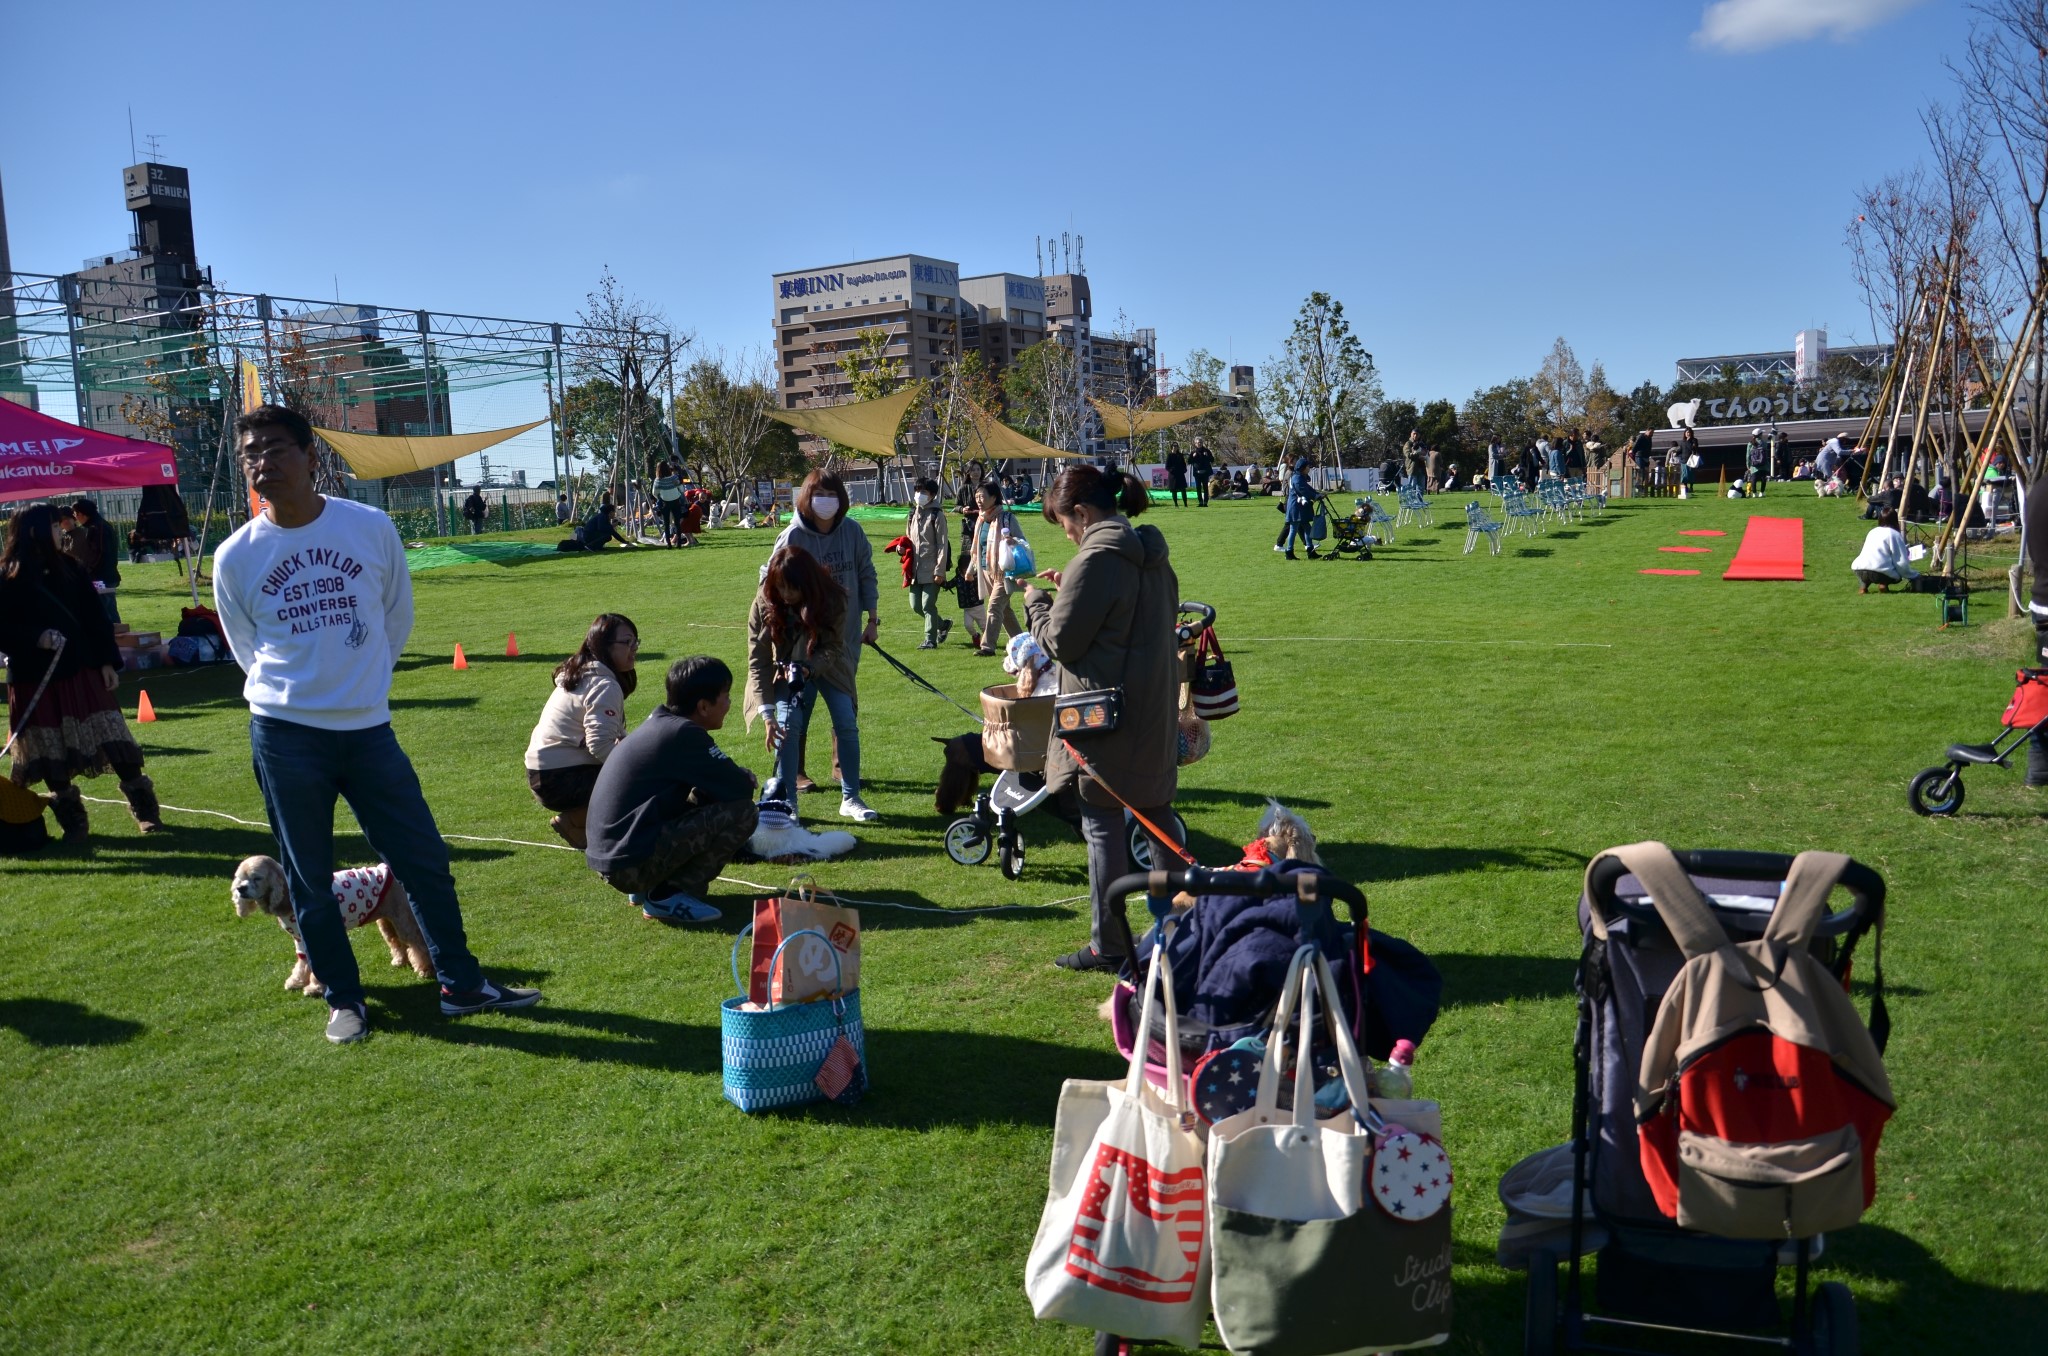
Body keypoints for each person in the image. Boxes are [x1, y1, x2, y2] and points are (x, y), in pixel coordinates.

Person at [212, 404, 540, 1045]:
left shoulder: (369, 527)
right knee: (308, 876)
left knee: (421, 858)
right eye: (251, 452)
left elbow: (395, 618)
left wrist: (358, 686)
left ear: (312, 456)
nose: (262, 461)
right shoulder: (235, 557)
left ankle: (462, 984)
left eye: (276, 447)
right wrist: (304, 695)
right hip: (284, 734)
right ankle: (344, 1000)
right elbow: (246, 650)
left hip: (367, 730)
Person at [1022, 465, 1181, 972]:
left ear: (1084, 514)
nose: (1066, 534)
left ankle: (1109, 944)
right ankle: (1180, 933)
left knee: (1103, 829)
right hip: (1152, 713)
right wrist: (1072, 586)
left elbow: (1062, 642)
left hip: (1104, 721)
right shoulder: (1151, 555)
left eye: (1066, 524)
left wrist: (1038, 604)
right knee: (1159, 822)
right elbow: (1121, 622)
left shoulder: (1096, 559)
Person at [0, 504, 161, 841]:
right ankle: (74, 824)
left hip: (82, 671)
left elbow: (96, 620)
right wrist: (35, 638)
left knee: (116, 739)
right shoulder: (7, 576)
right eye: (55, 527)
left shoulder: (71, 568)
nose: (62, 532)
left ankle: (146, 812)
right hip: (34, 678)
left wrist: (106, 662)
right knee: (48, 754)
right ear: (34, 532)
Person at [581, 655, 756, 923]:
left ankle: (646, 888)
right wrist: (742, 776)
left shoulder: (661, 722)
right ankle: (668, 894)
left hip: (612, 855)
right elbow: (740, 789)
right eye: (725, 695)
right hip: (626, 862)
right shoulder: (684, 734)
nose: (729, 703)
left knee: (705, 794)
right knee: (744, 812)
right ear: (703, 706)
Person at [765, 470, 879, 795]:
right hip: (801, 638)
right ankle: (796, 771)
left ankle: (841, 766)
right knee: (801, 700)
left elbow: (866, 572)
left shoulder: (852, 532)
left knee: (845, 700)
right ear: (807, 497)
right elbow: (771, 580)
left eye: (832, 494)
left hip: (845, 634)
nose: (825, 501)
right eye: (819, 494)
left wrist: (872, 619)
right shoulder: (792, 537)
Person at [746, 546, 876, 821]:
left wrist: (810, 668)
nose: (786, 595)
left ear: (809, 583)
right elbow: (757, 659)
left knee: (846, 722)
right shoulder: (764, 601)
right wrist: (767, 715)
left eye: (793, 588)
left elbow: (833, 647)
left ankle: (851, 798)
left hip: (829, 667)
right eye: (780, 587)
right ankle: (788, 804)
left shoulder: (833, 598)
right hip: (784, 669)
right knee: (787, 725)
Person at [524, 613, 639, 849]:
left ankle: (580, 821)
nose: (634, 648)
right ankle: (575, 821)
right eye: (626, 642)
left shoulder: (583, 674)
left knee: (636, 769)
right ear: (603, 646)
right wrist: (635, 767)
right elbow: (600, 745)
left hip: (543, 774)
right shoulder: (604, 684)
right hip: (559, 779)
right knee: (645, 779)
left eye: (636, 642)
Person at [968, 480, 1024, 656]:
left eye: (982, 496)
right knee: (1004, 609)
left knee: (993, 607)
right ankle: (1022, 642)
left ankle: (987, 647)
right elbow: (978, 548)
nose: (979, 499)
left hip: (1005, 571)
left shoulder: (1006, 518)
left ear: (994, 497)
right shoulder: (981, 519)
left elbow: (1022, 542)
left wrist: (1011, 541)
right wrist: (971, 569)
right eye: (977, 496)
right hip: (987, 570)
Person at [905, 476, 953, 650]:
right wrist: (900, 550)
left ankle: (930, 640)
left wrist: (940, 570)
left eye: (923, 491)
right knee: (915, 605)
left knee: (927, 605)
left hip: (932, 568)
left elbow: (942, 544)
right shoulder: (912, 513)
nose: (919, 495)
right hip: (914, 569)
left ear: (932, 494)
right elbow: (908, 539)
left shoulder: (937, 514)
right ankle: (942, 625)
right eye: (917, 491)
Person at [61, 499, 123, 622]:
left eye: (75, 514)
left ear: (82, 514)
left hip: (101, 576)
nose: (75, 518)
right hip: (103, 575)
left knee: (105, 611)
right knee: (106, 609)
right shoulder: (98, 526)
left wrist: (87, 571)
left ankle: (115, 636)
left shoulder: (96, 528)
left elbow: (99, 553)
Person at [1850, 509, 1919, 594]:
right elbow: (1901, 562)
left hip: (1859, 568)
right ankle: (1883, 584)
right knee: (1890, 570)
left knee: (1868, 569)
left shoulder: (1873, 531)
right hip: (1880, 572)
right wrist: (1913, 575)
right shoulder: (1894, 534)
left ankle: (1863, 588)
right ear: (1895, 520)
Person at [1279, 456, 1319, 560]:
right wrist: (1315, 496)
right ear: (1303, 467)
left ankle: (1310, 550)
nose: (1309, 468)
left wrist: (1317, 494)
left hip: (1300, 507)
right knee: (1293, 529)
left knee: (1307, 528)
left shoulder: (1300, 476)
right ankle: (1289, 552)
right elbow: (1302, 490)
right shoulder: (1297, 477)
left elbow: (1308, 488)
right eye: (1308, 466)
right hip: (1296, 508)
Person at [559, 500, 633, 552]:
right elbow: (603, 529)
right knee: (607, 536)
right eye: (614, 512)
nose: (615, 514)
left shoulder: (603, 517)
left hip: (589, 534)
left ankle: (597, 547)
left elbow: (610, 531)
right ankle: (591, 546)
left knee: (607, 534)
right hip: (588, 535)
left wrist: (624, 541)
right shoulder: (603, 517)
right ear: (610, 512)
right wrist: (612, 526)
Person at [652, 461, 685, 547]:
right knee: (677, 522)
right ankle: (678, 543)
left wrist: (660, 497)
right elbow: (681, 489)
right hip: (675, 501)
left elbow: (654, 493)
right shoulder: (673, 478)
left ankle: (668, 543)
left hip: (665, 502)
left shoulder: (657, 480)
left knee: (666, 523)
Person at [1189, 441, 1215, 507]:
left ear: (1202, 443)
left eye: (1200, 442)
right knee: (1198, 488)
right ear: (1195, 444)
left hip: (1205, 473)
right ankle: (1200, 502)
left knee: (1205, 488)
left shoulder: (1206, 451)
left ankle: (1205, 502)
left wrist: (1207, 455)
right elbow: (1189, 461)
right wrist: (1193, 456)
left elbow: (1212, 460)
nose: (1199, 444)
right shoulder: (1193, 452)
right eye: (1198, 443)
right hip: (1197, 473)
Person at [1677, 428, 1701, 499]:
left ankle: (1691, 487)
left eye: (1689, 432)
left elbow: (1695, 449)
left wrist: (1691, 443)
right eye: (1687, 432)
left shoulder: (1694, 440)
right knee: (1685, 474)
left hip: (1691, 460)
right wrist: (1677, 453)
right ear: (1684, 433)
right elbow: (1680, 450)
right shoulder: (1682, 442)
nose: (1688, 434)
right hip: (1684, 460)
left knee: (1691, 474)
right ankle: (1685, 487)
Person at [1744, 430, 1768, 497]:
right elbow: (1766, 454)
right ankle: (1762, 492)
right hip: (1763, 464)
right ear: (1760, 435)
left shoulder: (1750, 443)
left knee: (1753, 479)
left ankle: (1754, 493)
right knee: (1763, 478)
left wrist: (1748, 465)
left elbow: (1748, 455)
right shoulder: (1763, 443)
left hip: (1754, 465)